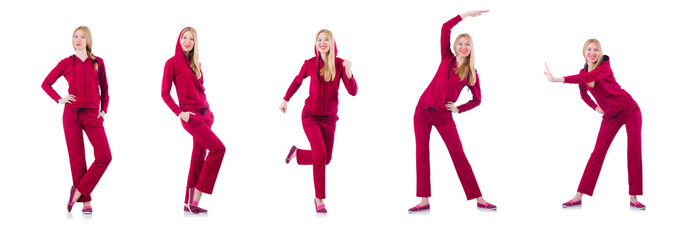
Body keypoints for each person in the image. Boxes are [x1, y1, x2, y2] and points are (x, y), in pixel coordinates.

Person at [408, 10, 497, 213]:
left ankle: (479, 198)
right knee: (421, 155)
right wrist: (466, 15)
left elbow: (477, 100)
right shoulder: (446, 57)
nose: (463, 47)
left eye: (467, 44)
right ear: (455, 47)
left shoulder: (471, 73)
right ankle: (424, 200)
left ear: (471, 49)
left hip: (443, 116)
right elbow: (445, 28)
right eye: (460, 43)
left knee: (459, 156)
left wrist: (458, 109)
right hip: (421, 111)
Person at [544, 38, 646, 210]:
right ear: (584, 52)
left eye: (596, 50)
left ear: (600, 53)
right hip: (610, 116)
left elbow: (588, 77)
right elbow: (584, 95)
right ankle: (578, 197)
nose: (592, 53)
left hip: (630, 110)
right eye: (589, 49)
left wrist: (557, 79)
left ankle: (634, 198)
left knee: (633, 151)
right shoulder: (583, 72)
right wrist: (596, 108)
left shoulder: (604, 67)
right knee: (597, 154)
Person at [280, 29, 358, 213]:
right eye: (319, 40)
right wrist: (285, 99)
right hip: (310, 117)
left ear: (332, 43)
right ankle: (319, 199)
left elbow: (353, 91)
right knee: (321, 154)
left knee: (326, 158)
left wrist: (348, 71)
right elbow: (297, 81)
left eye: (326, 40)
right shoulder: (309, 64)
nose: (322, 42)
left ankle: (297, 154)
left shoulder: (339, 65)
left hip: (330, 120)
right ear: (316, 43)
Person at [41, 26, 112, 214]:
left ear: (88, 40)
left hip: (92, 115)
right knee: (77, 158)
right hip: (71, 115)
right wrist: (59, 99)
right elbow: (46, 83)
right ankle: (86, 202)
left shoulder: (98, 62)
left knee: (105, 156)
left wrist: (103, 111)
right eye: (75, 36)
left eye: (82, 36)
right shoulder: (66, 63)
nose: (78, 39)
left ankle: (79, 191)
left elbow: (105, 90)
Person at [162, 27, 226, 214]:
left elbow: (201, 90)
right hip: (191, 117)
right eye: (184, 37)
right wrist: (179, 112)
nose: (187, 41)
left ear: (195, 43)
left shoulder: (196, 63)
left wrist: (209, 110)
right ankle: (196, 194)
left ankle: (188, 202)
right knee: (219, 149)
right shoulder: (171, 63)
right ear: (179, 39)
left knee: (198, 157)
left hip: (205, 115)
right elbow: (164, 93)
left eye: (191, 39)